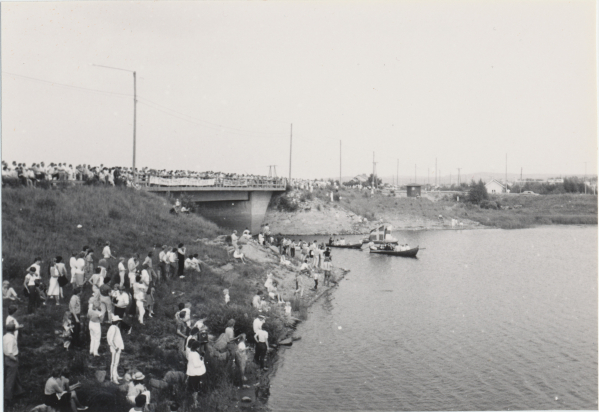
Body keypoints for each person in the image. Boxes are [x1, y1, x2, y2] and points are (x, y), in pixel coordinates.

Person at [4, 323, 24, 402]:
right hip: (12, 359)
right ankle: (7, 397)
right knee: (10, 379)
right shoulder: (11, 339)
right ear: (13, 330)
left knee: (16, 375)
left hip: (7, 358)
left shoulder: (5, 337)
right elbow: (9, 353)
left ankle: (19, 391)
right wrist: (15, 359)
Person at [186, 340, 206, 407]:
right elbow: (196, 364)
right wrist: (202, 361)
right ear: (197, 347)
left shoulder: (191, 353)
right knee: (196, 389)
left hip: (191, 373)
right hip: (195, 374)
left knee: (193, 388)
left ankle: (194, 401)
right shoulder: (195, 354)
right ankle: (195, 403)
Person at [107, 315, 125, 383]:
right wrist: (115, 347)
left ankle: (116, 375)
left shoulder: (114, 327)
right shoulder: (113, 328)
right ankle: (113, 378)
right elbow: (110, 340)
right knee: (114, 363)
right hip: (115, 348)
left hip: (117, 347)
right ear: (117, 322)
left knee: (116, 363)